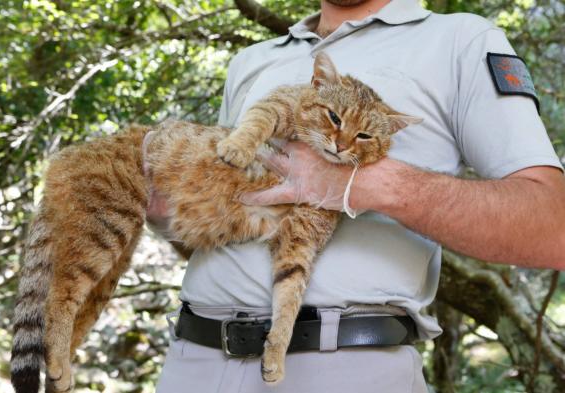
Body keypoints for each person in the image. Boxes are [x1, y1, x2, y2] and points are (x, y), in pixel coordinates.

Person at [153, 1, 565, 392]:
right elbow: (233, 206)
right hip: (193, 356)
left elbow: (553, 225)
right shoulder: (252, 59)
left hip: (345, 364)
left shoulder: (461, 39)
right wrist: (160, 204)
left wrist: (360, 184)